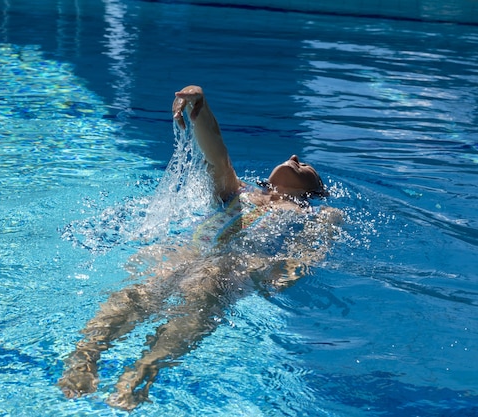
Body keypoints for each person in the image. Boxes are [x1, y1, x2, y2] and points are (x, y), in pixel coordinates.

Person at [58, 85, 342, 410]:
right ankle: (86, 355)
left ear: (314, 191)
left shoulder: (313, 213)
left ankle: (141, 373)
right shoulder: (240, 192)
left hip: (231, 269)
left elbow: (309, 252)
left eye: (305, 166)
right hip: (191, 253)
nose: (294, 158)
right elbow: (217, 154)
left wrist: (286, 274)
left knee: (198, 304)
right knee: (140, 292)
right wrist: (200, 107)